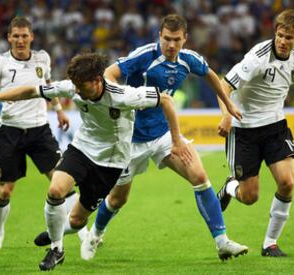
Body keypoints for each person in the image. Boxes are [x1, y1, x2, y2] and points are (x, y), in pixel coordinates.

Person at [0, 52, 192, 271]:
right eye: (75, 85)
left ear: (97, 80)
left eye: (81, 86)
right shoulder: (72, 87)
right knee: (56, 190)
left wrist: (176, 141)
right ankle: (56, 249)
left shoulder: (123, 95)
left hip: (111, 162)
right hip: (82, 149)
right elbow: (32, 90)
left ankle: (54, 232)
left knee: (77, 221)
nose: (76, 91)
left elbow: (166, 99)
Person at [75, 14, 247, 261]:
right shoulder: (144, 55)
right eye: (167, 39)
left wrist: (228, 105)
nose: (171, 45)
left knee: (199, 176)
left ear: (185, 39)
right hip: (129, 141)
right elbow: (109, 75)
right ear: (160, 36)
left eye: (177, 40)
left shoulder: (189, 60)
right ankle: (95, 235)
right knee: (118, 198)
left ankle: (222, 243)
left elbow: (210, 74)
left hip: (163, 135)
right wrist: (123, 97)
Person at [216, 9, 294, 257]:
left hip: (276, 127)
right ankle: (229, 188)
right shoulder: (257, 56)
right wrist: (226, 115)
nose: (283, 41)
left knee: (287, 183)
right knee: (249, 196)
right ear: (275, 33)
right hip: (244, 130)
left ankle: (270, 244)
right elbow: (224, 85)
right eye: (280, 35)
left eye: (289, 37)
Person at [0, 16, 81, 251]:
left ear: (31, 36)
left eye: (25, 35)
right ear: (9, 37)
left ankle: (79, 228)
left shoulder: (43, 58)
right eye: (16, 36)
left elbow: (48, 85)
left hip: (39, 129)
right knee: (5, 190)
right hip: (11, 130)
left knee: (62, 180)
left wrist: (59, 110)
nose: (20, 40)